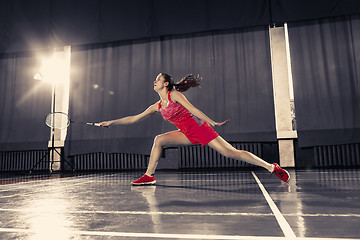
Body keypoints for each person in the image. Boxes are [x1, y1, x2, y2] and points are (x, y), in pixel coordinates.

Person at [99, 73, 290, 185]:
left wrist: (212, 122)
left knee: (231, 153)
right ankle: (149, 176)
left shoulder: (174, 95)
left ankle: (271, 167)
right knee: (159, 139)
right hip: (186, 134)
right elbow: (134, 118)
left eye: (158, 79)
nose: (154, 81)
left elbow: (194, 110)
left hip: (201, 129)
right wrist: (111, 122)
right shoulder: (157, 106)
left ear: (166, 84)